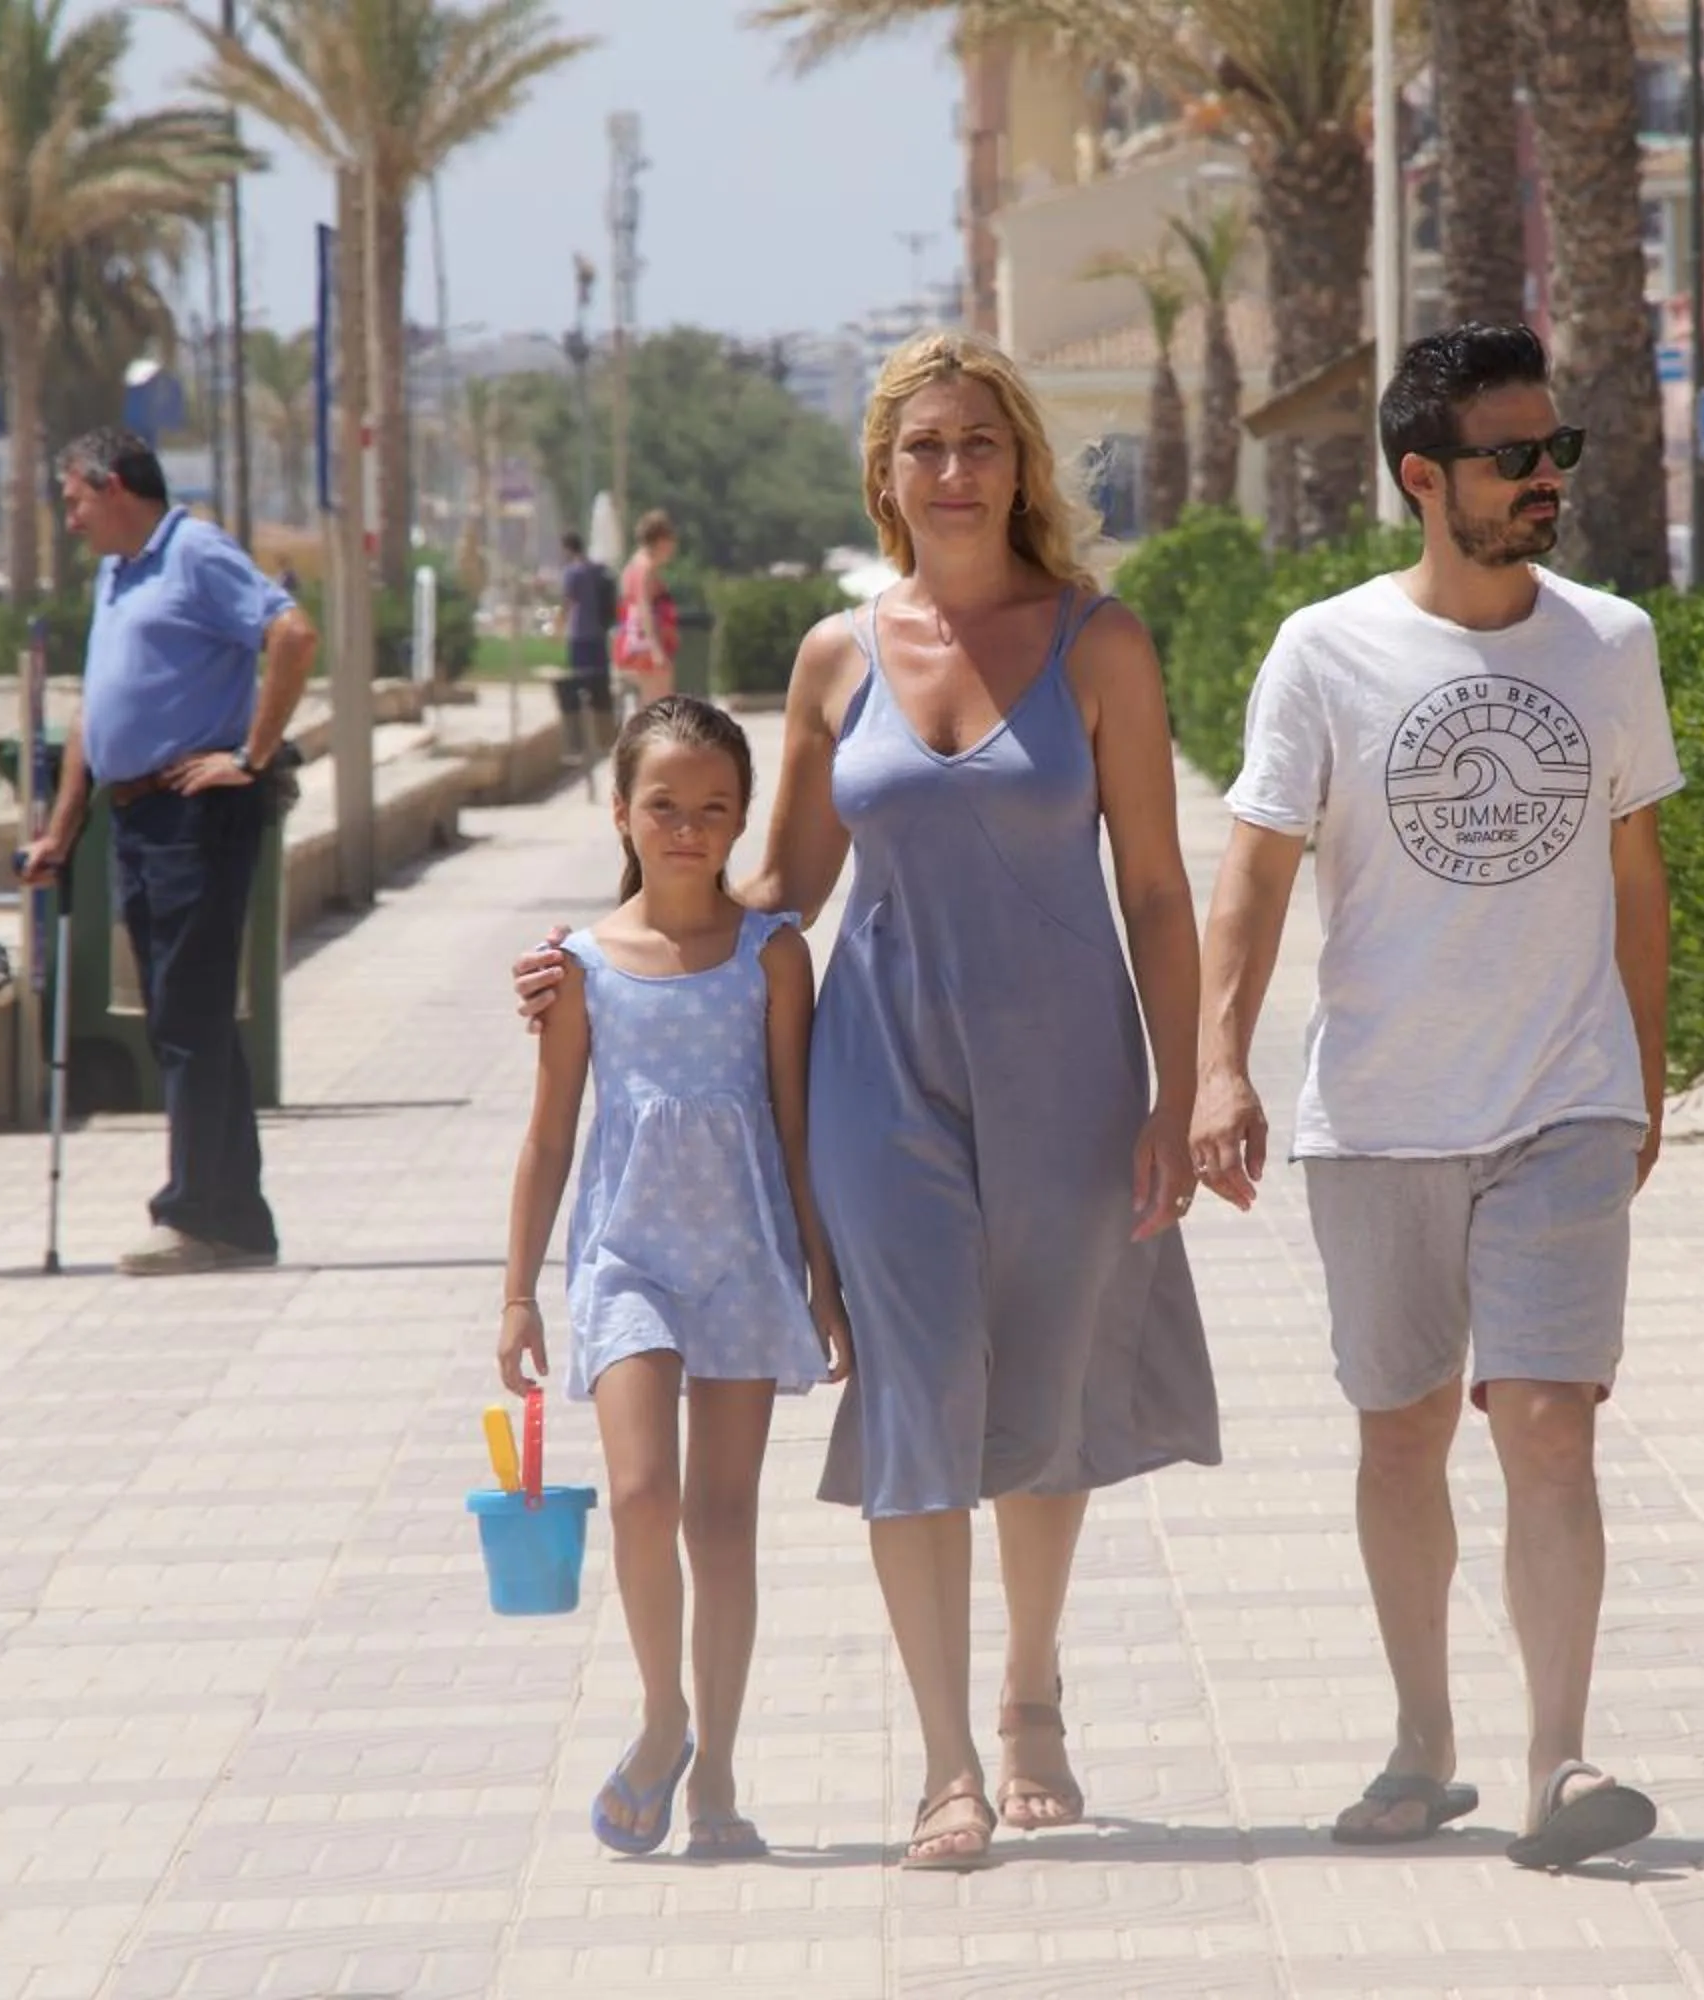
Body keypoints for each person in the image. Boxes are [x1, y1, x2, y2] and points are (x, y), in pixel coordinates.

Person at [518, 330, 1219, 1871]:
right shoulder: (837, 657)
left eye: (979, 442)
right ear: (885, 474)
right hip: (878, 1074)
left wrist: (1190, 1084)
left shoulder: (1101, 642)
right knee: (914, 1386)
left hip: (1070, 1072)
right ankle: (946, 1765)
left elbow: (1161, 891)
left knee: (1043, 1384)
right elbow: (778, 883)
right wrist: (609, 956)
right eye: (924, 446)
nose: (953, 470)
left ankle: (1029, 1692)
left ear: (1019, 464)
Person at [1191, 324, 1679, 1872]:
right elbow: (1253, 874)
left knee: (1548, 1428)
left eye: (1557, 452)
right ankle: (1423, 1746)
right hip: (1380, 1112)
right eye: (1513, 457)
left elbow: (1638, 875)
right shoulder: (1323, 651)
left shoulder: (1610, 643)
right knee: (1401, 1435)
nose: (1547, 480)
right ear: (1423, 477)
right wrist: (1218, 1062)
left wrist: (1645, 1074)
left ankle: (1559, 1763)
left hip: (1563, 1102)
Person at [497, 695, 851, 1861]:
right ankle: (663, 1717)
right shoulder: (581, 967)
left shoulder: (773, 955)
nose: (688, 827)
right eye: (664, 805)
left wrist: (824, 1276)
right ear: (620, 811)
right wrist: (517, 1291)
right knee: (645, 1494)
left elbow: (799, 1125)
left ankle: (721, 1774)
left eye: (713, 807)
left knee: (725, 1516)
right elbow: (549, 1133)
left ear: (744, 819)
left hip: (746, 1255)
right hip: (627, 1258)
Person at [19, 427, 318, 1277]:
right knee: (185, 1019)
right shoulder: (115, 575)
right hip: (135, 819)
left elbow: (293, 635)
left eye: (75, 501)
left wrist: (251, 757)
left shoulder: (195, 552)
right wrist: (62, 830)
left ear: (113, 485)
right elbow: (94, 714)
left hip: (196, 816)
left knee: (189, 1017)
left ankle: (194, 1211)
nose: (70, 520)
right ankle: (236, 1218)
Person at [556, 530, 621, 780]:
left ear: (567, 548)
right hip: (598, 634)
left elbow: (568, 602)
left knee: (578, 686)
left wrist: (558, 627)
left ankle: (580, 743)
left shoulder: (572, 572)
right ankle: (606, 736)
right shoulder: (596, 569)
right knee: (600, 686)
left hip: (580, 635)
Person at [610, 511, 679, 720]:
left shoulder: (632, 566)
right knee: (659, 707)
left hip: (634, 642)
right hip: (645, 644)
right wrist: (656, 650)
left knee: (650, 705)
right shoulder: (645, 568)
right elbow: (644, 609)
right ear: (661, 540)